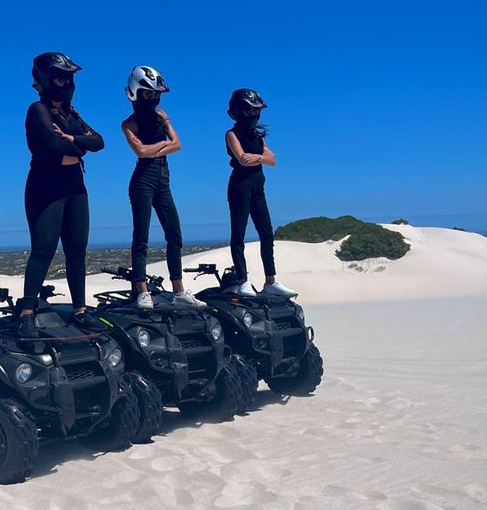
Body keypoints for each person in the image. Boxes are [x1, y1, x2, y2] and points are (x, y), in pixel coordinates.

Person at [18, 52, 104, 333]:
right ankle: (27, 312)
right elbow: (54, 144)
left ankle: (80, 309)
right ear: (44, 79)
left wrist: (73, 142)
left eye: (69, 77)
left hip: (75, 188)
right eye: (60, 77)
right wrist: (78, 147)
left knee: (77, 250)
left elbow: (99, 141)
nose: (66, 82)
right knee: (43, 249)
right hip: (46, 187)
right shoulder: (37, 110)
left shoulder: (71, 114)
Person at [121, 65, 206, 309]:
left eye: (155, 94)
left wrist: (154, 148)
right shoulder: (128, 124)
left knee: (175, 236)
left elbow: (178, 144)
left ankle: (178, 290)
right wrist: (162, 146)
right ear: (136, 93)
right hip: (142, 181)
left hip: (163, 180)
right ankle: (142, 291)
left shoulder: (162, 115)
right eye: (148, 93)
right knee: (141, 237)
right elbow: (140, 151)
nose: (153, 98)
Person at [225, 88, 296, 297]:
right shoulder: (232, 134)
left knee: (266, 233)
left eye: (256, 112)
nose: (254, 116)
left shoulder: (258, 136)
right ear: (239, 112)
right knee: (238, 234)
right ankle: (242, 280)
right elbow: (242, 159)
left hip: (258, 187)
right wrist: (262, 157)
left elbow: (272, 160)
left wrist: (257, 157)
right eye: (249, 111)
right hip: (239, 186)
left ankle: (270, 281)